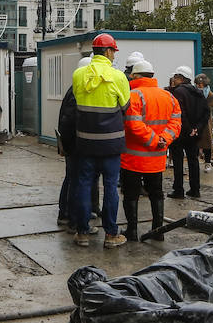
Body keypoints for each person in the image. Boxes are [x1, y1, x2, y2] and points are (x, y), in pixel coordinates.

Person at [71, 33, 131, 247]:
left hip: (85, 142)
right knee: (110, 187)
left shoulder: (79, 75)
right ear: (107, 51)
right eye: (114, 51)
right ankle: (111, 234)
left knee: (84, 185)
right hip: (111, 144)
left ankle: (82, 232)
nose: (114, 55)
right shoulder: (118, 77)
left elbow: (79, 101)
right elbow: (125, 106)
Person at [119, 60, 181, 242]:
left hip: (133, 158)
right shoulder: (168, 96)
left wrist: (153, 140)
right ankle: (158, 230)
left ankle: (131, 231)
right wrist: (163, 140)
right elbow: (176, 123)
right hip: (157, 158)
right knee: (156, 193)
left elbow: (133, 124)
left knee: (131, 195)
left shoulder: (133, 95)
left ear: (136, 76)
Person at [56, 57, 94, 232]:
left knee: (71, 179)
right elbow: (70, 121)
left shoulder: (72, 90)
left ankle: (65, 214)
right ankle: (72, 218)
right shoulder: (77, 93)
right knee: (76, 181)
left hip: (71, 143)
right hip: (76, 145)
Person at [166, 66, 207, 201]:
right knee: (193, 161)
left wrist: (189, 129)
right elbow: (206, 113)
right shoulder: (199, 92)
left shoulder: (178, 92)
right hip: (194, 134)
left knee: (178, 161)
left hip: (181, 133)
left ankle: (178, 190)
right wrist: (197, 129)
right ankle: (195, 189)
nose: (174, 80)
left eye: (176, 77)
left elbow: (180, 113)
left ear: (181, 78)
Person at [194, 73, 213, 165]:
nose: (198, 86)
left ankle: (208, 162)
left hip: (206, 121)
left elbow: (209, 109)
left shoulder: (210, 95)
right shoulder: (194, 93)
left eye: (200, 84)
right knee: (195, 142)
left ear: (205, 84)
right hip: (195, 120)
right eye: (197, 84)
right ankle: (195, 162)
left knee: (207, 142)